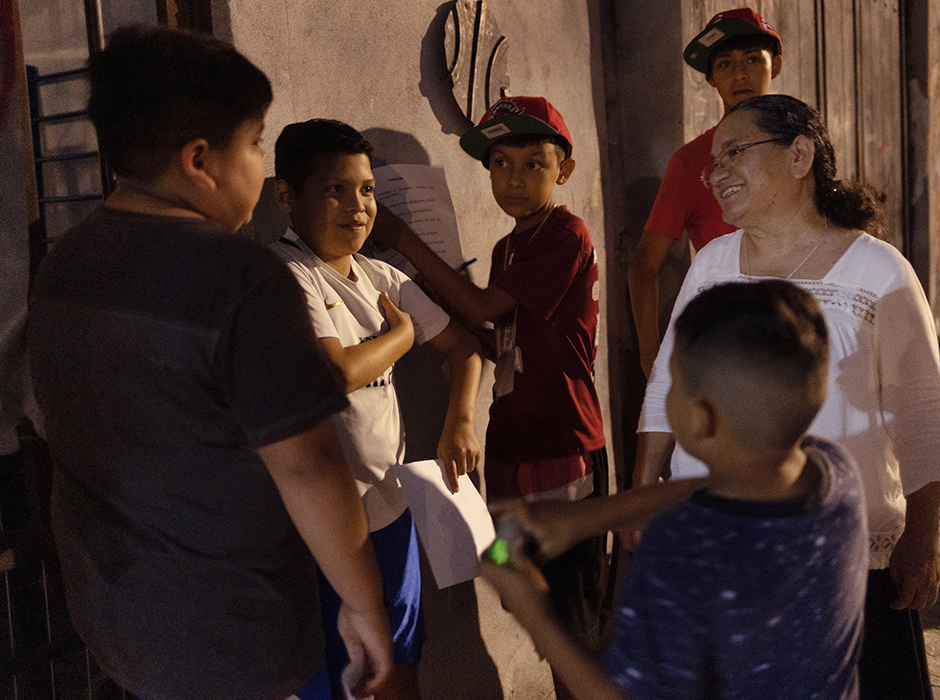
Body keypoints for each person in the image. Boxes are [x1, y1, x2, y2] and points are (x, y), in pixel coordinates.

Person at [26, 26, 393, 700]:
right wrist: (365, 604)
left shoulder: (64, 264)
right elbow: (309, 465)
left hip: (112, 619)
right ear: (201, 160)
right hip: (226, 636)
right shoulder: (240, 278)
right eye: (255, 143)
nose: (262, 163)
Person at [636, 94, 940, 700]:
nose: (715, 174)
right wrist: (640, 493)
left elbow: (920, 410)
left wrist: (924, 535)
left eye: (735, 152)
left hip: (845, 561)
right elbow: (669, 380)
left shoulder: (878, 273)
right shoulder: (712, 263)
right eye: (713, 162)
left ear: (799, 156)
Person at [482, 279, 869, 700]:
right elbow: (733, 482)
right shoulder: (836, 474)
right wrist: (586, 518)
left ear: (702, 419)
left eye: (671, 383)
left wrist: (532, 607)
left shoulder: (680, 547)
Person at [371, 95, 608, 700]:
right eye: (500, 164)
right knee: (524, 598)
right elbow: (490, 335)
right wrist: (416, 302)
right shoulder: (508, 249)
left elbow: (479, 308)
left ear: (565, 170)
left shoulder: (565, 234)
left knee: (568, 620)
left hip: (563, 446)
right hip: (508, 452)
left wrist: (404, 240)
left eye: (534, 163)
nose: (515, 180)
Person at [270, 118, 483, 700]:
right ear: (288, 196)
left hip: (392, 512)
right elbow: (334, 374)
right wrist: (402, 335)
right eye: (335, 189)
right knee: (339, 680)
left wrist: (458, 422)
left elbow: (465, 347)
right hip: (326, 526)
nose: (357, 206)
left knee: (398, 669)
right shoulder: (286, 275)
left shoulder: (380, 276)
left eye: (366, 190)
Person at [628, 7, 783, 378]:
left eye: (752, 60)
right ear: (710, 77)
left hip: (800, 333)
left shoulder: (799, 148)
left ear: (775, 66)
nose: (740, 74)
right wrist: (650, 356)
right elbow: (642, 266)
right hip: (728, 346)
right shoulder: (691, 163)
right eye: (725, 64)